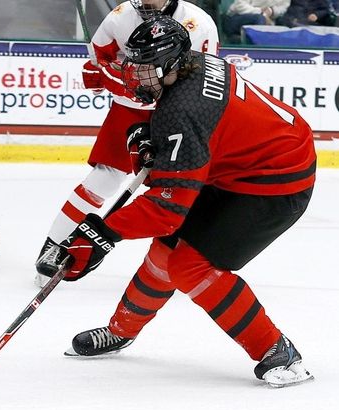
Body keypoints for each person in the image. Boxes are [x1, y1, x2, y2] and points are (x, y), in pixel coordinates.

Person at [51, 16, 316, 387]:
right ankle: (121, 330)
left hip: (275, 181)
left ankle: (277, 350)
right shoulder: (194, 64)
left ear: (170, 64)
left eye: (144, 69)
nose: (135, 76)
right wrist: (155, 144)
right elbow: (199, 139)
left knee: (190, 266)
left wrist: (103, 232)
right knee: (166, 252)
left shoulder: (184, 111)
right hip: (250, 158)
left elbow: (166, 210)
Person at [34, 0, 218, 286]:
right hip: (129, 111)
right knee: (102, 180)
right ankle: (54, 247)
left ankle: (188, 263)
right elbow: (99, 60)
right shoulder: (120, 17)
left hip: (175, 111)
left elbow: (206, 74)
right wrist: (114, 80)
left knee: (184, 192)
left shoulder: (199, 24)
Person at [222, 0, 289, 44]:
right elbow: (240, 6)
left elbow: (282, 8)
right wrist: (261, 12)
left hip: (266, 19)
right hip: (234, 18)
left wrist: (271, 11)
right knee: (259, 18)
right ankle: (258, 50)